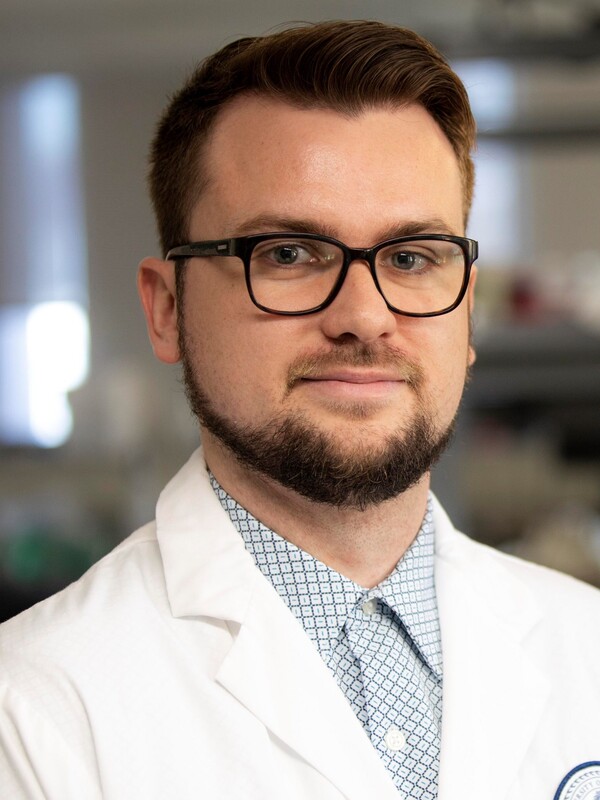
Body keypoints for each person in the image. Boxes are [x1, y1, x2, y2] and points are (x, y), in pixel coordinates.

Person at [0, 20, 599, 800]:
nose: (365, 314)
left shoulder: (584, 643)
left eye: (412, 257)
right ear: (167, 309)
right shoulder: (35, 710)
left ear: (467, 312)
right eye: (288, 254)